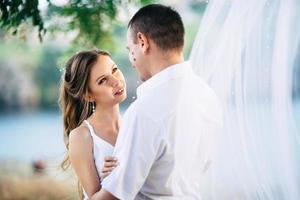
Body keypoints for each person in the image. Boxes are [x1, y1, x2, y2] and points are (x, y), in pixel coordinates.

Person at [92, 4, 223, 200]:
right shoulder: (209, 96)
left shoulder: (144, 111)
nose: (131, 59)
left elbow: (113, 196)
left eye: (130, 49)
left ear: (142, 41)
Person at [59, 50, 126, 199]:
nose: (116, 81)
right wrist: (116, 177)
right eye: (103, 80)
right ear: (88, 96)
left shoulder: (133, 123)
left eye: (114, 70)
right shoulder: (82, 136)